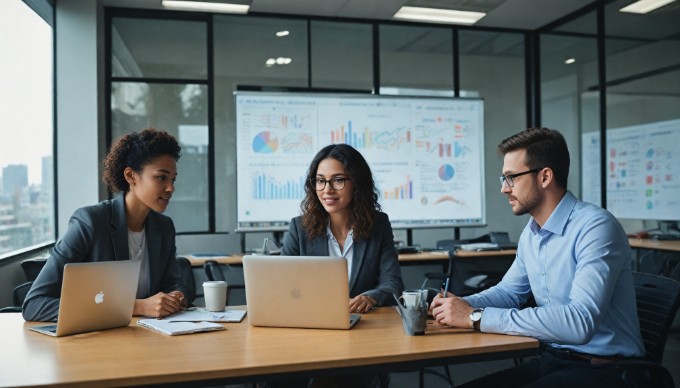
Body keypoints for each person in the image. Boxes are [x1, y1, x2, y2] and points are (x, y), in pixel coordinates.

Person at [429, 127, 645, 387]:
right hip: (554, 358)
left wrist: (475, 316)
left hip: (606, 369)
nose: (504, 189)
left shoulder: (596, 227)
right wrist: (459, 305)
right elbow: (510, 293)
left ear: (544, 177)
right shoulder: (532, 233)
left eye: (511, 178)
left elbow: (579, 322)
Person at [23, 128, 189, 322]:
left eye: (173, 179)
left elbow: (174, 283)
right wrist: (137, 306)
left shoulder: (164, 227)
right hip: (98, 345)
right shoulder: (90, 222)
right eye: (161, 177)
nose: (171, 188)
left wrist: (177, 297)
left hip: (149, 339)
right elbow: (34, 304)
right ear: (131, 176)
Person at [281, 143, 404, 313]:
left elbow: (393, 283)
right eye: (320, 181)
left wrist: (370, 297)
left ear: (357, 183)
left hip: (363, 325)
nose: (327, 190)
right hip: (313, 320)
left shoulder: (378, 225)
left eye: (338, 180)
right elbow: (283, 285)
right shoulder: (299, 228)